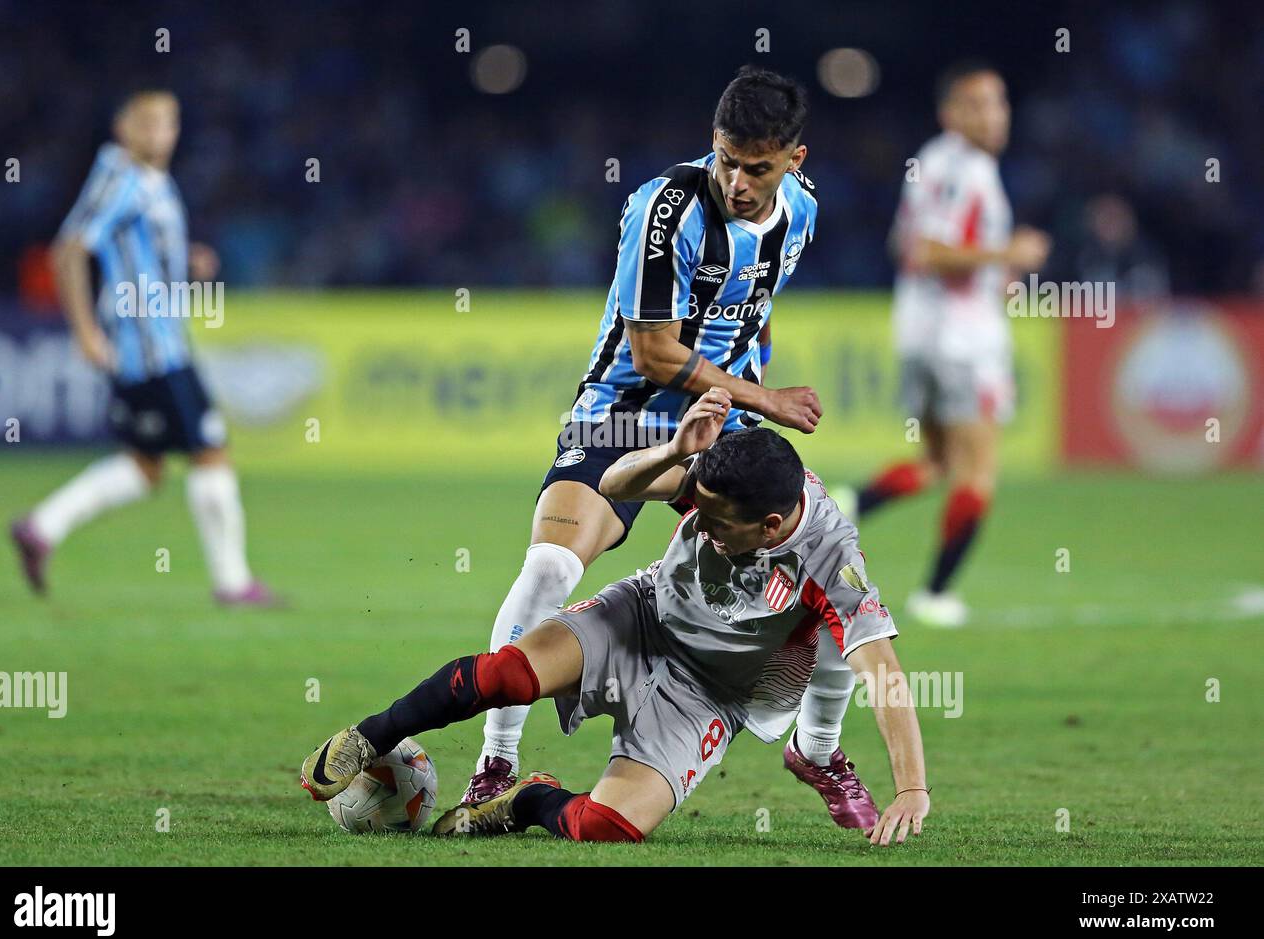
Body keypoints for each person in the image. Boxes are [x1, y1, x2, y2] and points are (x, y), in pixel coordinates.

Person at [463, 67, 876, 828]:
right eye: (727, 159)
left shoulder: (803, 213)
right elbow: (654, 353)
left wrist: (745, 392)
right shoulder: (665, 209)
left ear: (795, 159)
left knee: (824, 575)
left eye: (758, 167)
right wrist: (767, 398)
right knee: (550, 565)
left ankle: (817, 748)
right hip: (621, 417)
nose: (739, 181)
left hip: (726, 427)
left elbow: (754, 307)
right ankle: (497, 763)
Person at [302, 389, 929, 846]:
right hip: (643, 617)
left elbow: (884, 674)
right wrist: (675, 451)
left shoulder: (830, 559)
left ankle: (526, 801)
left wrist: (912, 788)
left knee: (609, 827)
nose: (700, 528)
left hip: (712, 697)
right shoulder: (723, 472)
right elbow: (617, 486)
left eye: (714, 523)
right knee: (508, 676)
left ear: (771, 527)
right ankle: (369, 737)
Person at [9, 90, 278, 606]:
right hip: (152, 352)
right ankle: (233, 584)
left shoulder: (152, 182)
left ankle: (41, 527)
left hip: (159, 345)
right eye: (148, 122)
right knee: (210, 449)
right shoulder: (120, 177)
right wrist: (84, 331)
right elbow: (68, 250)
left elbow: (136, 252)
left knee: (145, 466)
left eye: (169, 122)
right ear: (123, 127)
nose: (160, 132)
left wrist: (184, 261)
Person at [841, 61, 1052, 628]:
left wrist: (990, 270)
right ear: (952, 113)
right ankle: (935, 594)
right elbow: (928, 251)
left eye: (1000, 102)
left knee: (935, 462)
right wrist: (1007, 254)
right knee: (978, 472)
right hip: (964, 341)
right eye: (980, 104)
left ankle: (846, 506)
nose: (995, 115)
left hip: (918, 331)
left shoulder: (929, 163)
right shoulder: (968, 170)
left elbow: (904, 245)